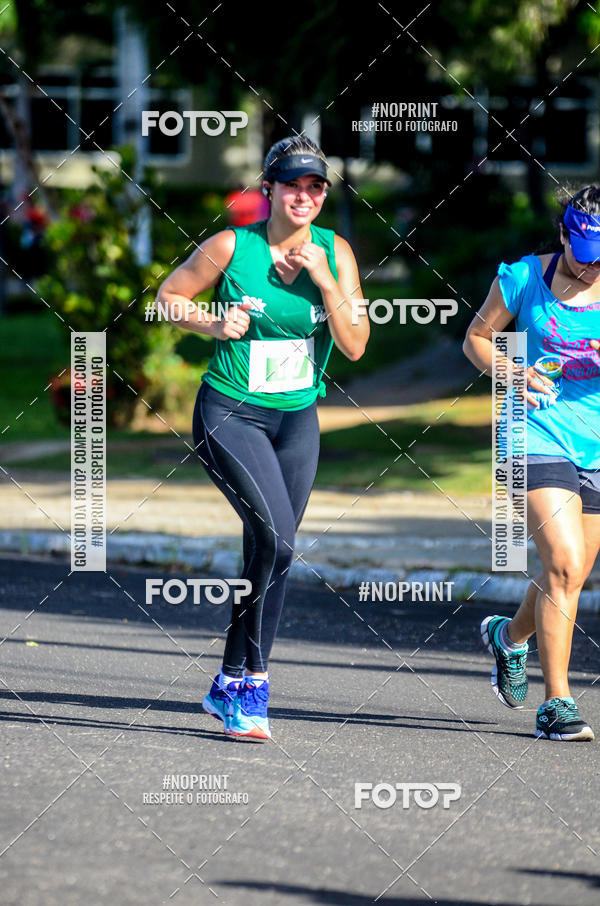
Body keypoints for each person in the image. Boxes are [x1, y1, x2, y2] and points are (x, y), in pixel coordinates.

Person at [155, 136, 369, 739]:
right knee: (276, 538)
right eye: (292, 185)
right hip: (230, 412)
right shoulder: (233, 245)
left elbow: (354, 344)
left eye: (315, 187)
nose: (304, 196)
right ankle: (254, 684)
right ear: (268, 188)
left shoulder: (336, 251)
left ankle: (227, 682)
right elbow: (168, 297)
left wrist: (327, 281)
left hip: (297, 419)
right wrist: (211, 322)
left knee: (272, 548)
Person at [464, 184, 600, 741]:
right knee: (565, 564)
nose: (591, 270)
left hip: (596, 445)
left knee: (565, 577)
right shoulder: (524, 277)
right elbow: (476, 337)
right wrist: (511, 370)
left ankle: (508, 638)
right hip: (533, 433)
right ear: (564, 235)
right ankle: (558, 704)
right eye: (583, 256)